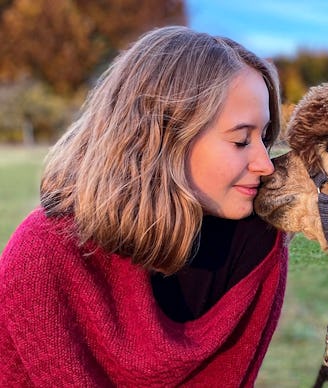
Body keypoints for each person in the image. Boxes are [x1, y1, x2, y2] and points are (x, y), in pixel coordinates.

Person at [0, 26, 288, 387]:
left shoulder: (255, 242)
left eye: (264, 138)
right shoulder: (44, 252)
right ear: (163, 136)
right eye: (241, 140)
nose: (266, 163)